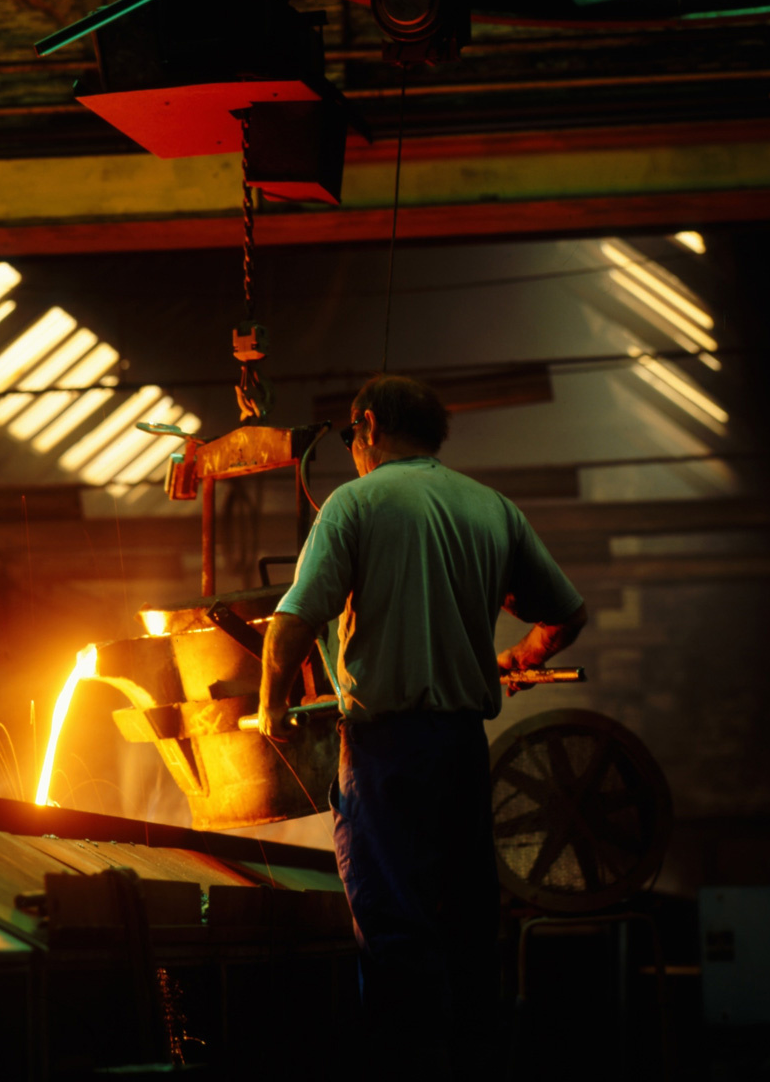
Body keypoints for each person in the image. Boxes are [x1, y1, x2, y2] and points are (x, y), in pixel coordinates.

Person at [258, 374, 587, 1079]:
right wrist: (516, 657)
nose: (352, 450)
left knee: (392, 922)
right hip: (464, 750)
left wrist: (271, 709)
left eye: (351, 437)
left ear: (368, 424)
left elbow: (291, 622)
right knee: (467, 922)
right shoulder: (492, 508)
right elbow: (566, 615)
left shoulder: (356, 503)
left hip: (385, 754)